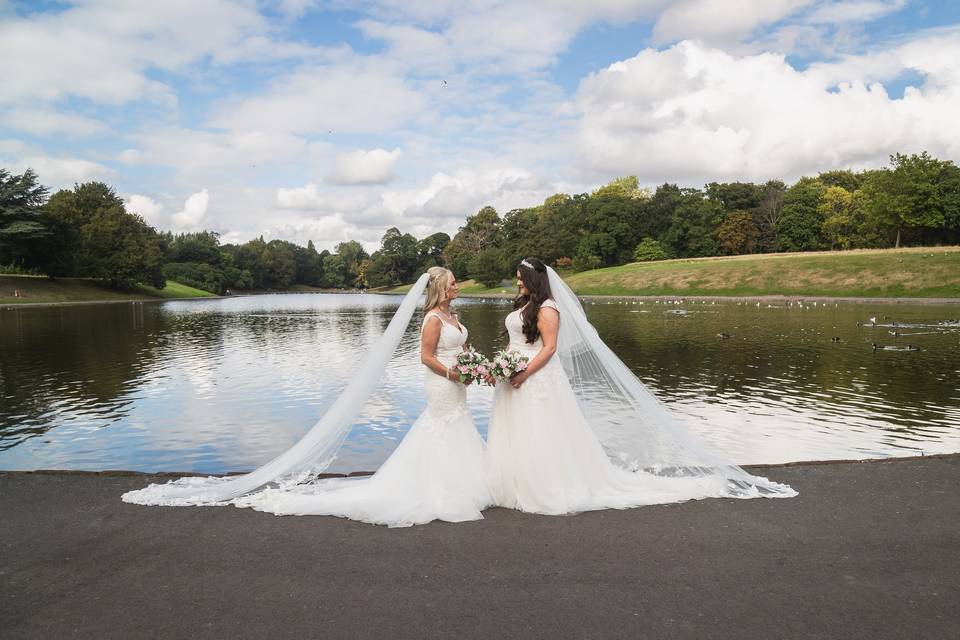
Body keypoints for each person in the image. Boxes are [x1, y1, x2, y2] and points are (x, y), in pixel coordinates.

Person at [124, 267, 492, 527]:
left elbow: (460, 347)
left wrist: (473, 364)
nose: (458, 287)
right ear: (441, 288)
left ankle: (463, 482)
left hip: (458, 381)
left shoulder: (452, 315)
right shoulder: (431, 319)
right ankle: (439, 488)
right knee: (440, 426)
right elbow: (425, 357)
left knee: (456, 425)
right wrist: (453, 372)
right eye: (455, 283)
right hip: (443, 382)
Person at [485, 257, 796, 515]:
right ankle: (515, 483)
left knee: (542, 429)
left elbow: (549, 348)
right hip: (515, 374)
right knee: (519, 429)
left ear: (533, 279)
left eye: (521, 278)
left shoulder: (548, 308)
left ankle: (544, 485)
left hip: (537, 376)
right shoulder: (525, 305)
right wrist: (504, 367)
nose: (518, 283)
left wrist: (524, 374)